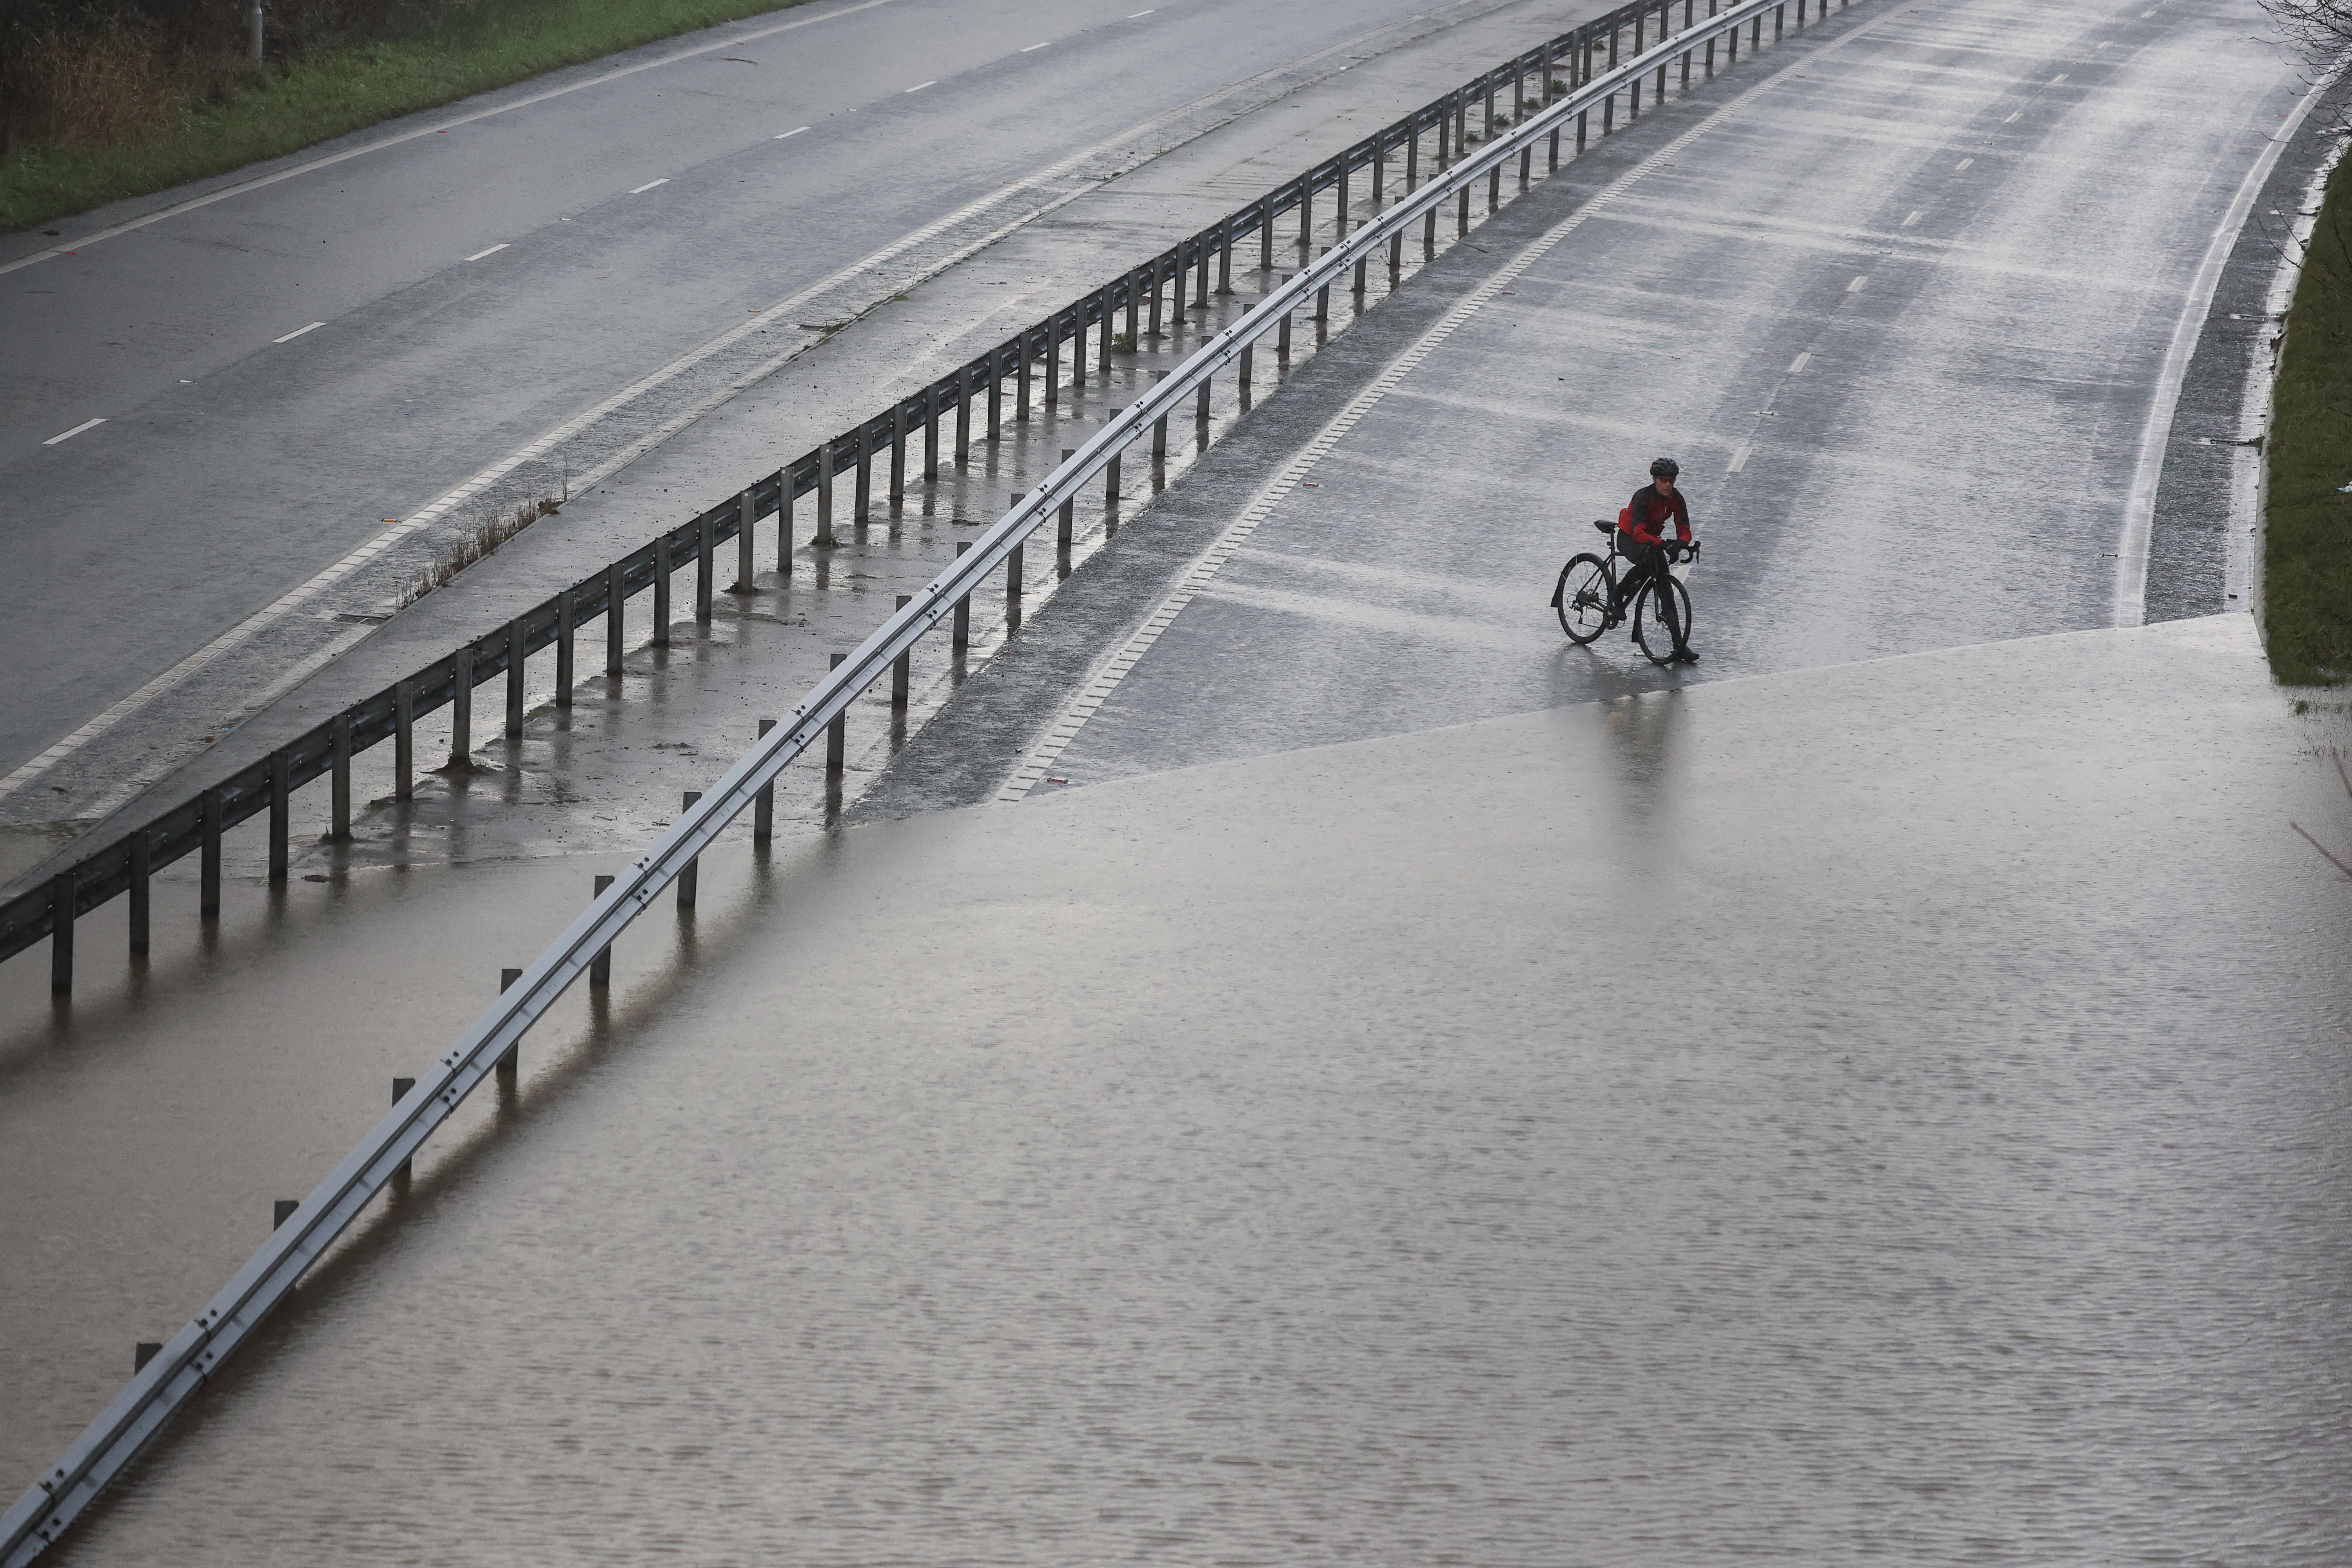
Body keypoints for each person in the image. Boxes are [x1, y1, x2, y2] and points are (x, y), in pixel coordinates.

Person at [1614, 457, 1699, 663]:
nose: (1668, 485)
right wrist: (1663, 545)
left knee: (1667, 592)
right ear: (1654, 479)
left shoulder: (1676, 499)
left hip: (1651, 541)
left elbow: (1685, 529)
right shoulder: (1643, 497)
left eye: (1671, 481)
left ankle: (1679, 646)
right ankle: (1617, 596)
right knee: (1646, 563)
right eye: (1663, 480)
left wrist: (1680, 543)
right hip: (1630, 538)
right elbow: (1639, 534)